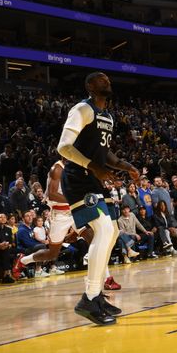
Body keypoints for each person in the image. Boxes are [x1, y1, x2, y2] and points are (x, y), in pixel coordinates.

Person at [56, 72, 139, 325]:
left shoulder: (107, 116)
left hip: (94, 179)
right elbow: (64, 147)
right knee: (103, 230)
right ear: (90, 85)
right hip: (78, 178)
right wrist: (93, 167)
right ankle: (89, 298)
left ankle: (97, 293)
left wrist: (126, 167)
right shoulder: (82, 109)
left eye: (109, 79)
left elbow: (106, 153)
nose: (108, 81)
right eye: (101, 79)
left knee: (112, 233)